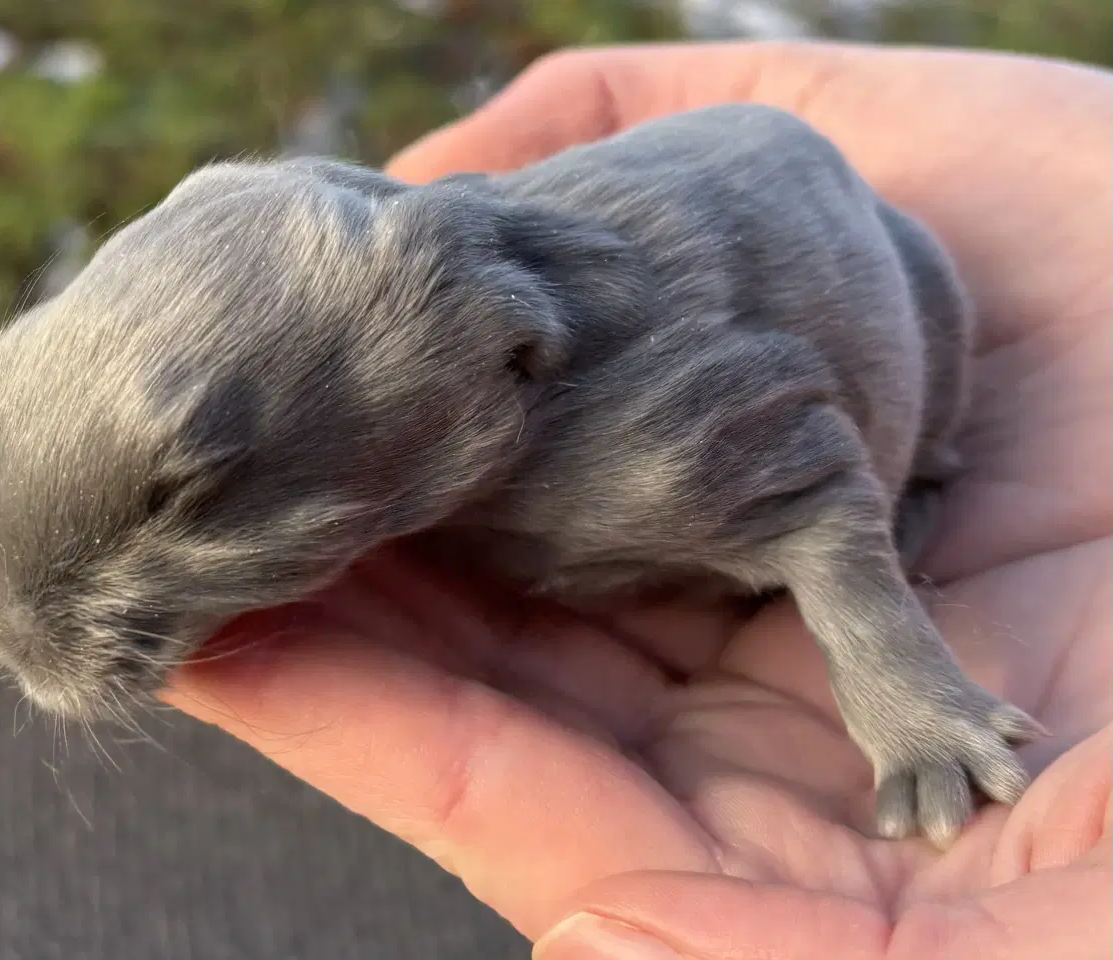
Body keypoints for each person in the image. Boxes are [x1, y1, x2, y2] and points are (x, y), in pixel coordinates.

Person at [165, 41, 1112, 959]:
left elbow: (817, 485)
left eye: (184, 493)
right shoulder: (426, 433)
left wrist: (909, 705)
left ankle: (927, 462)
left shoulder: (634, 434)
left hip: (857, 265)